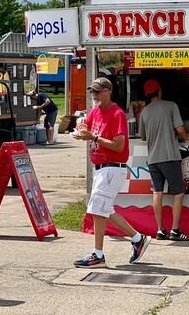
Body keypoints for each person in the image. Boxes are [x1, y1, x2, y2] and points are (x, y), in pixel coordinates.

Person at [72, 77, 151, 268]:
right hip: (101, 168)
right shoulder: (96, 112)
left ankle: (99, 254)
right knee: (102, 209)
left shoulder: (116, 114)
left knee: (99, 208)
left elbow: (119, 145)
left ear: (108, 92)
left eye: (98, 91)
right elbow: (85, 129)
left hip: (112, 168)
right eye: (93, 92)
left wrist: (94, 138)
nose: (95, 95)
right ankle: (137, 238)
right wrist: (80, 128)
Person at [139, 79, 189, 241]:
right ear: (160, 91)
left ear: (147, 94)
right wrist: (186, 136)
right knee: (179, 192)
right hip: (170, 156)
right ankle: (175, 230)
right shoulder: (171, 106)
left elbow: (143, 137)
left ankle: (160, 230)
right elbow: (180, 128)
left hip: (153, 158)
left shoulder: (145, 112)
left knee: (157, 191)